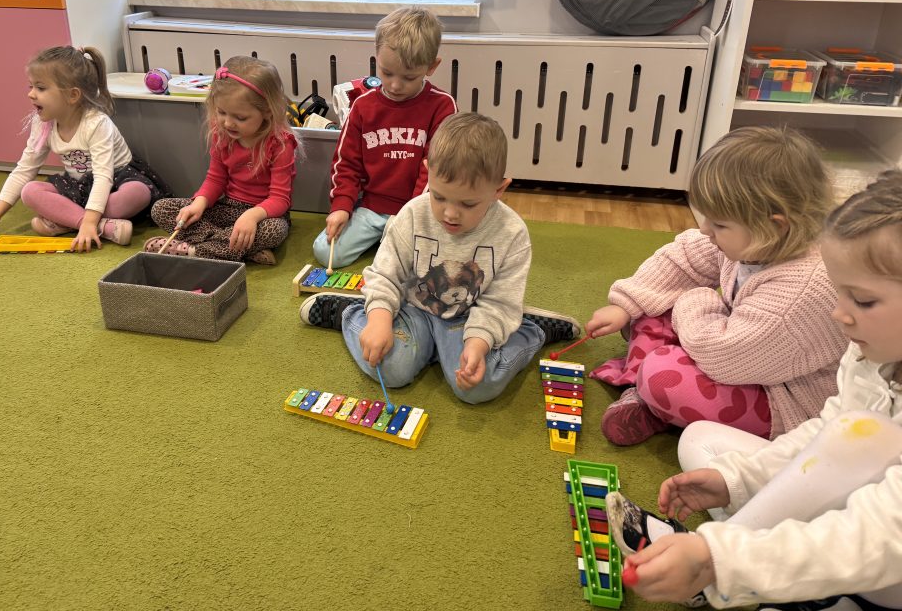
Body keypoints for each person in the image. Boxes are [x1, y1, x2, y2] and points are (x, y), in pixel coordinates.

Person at [606, 170, 902, 611]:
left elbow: (883, 534)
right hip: (853, 522)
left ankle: (742, 567)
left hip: (884, 559)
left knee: (856, 441)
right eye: (840, 294)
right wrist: (737, 480)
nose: (839, 314)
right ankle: (757, 563)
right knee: (700, 442)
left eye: (861, 300)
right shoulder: (869, 353)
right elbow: (823, 438)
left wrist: (723, 559)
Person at [585, 126, 848, 446]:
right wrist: (625, 305)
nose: (705, 229)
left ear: (775, 226)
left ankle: (646, 392)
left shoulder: (804, 290)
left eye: (719, 224)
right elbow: (681, 258)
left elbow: (722, 359)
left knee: (663, 375)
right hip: (735, 347)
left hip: (781, 398)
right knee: (651, 302)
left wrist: (692, 299)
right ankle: (646, 393)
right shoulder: (755, 241)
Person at [299, 112, 581, 404]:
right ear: (428, 172)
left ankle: (531, 330)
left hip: (471, 315)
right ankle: (352, 313)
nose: (450, 213)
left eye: (468, 203)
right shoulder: (412, 214)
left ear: (499, 190)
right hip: (415, 310)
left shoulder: (512, 234)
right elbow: (385, 274)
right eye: (439, 196)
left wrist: (479, 343)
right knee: (391, 369)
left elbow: (498, 302)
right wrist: (380, 318)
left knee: (479, 387)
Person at [0, 46, 169, 251]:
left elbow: (103, 176)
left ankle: (68, 220)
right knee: (30, 192)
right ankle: (103, 227)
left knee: (138, 193)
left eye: (40, 88)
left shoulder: (96, 123)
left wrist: (89, 221)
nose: (31, 94)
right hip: (79, 185)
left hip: (116, 179)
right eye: (30, 86)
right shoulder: (42, 123)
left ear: (73, 95)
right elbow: (25, 169)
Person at [312, 5, 456, 270]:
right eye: (387, 73)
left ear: (432, 66)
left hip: (420, 212)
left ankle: (392, 243)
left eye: (409, 77)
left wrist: (410, 217)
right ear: (377, 56)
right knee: (324, 250)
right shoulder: (363, 106)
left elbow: (435, 169)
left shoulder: (442, 105)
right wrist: (341, 206)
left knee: (428, 264)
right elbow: (346, 163)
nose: (395, 85)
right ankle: (385, 241)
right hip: (372, 209)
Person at [145, 56, 296, 265]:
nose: (228, 123)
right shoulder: (221, 133)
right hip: (227, 207)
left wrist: (252, 216)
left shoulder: (280, 143)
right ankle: (240, 248)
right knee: (161, 209)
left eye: (240, 118)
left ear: (267, 111)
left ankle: (195, 251)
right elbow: (215, 179)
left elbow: (280, 199)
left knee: (274, 231)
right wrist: (199, 203)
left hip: (264, 215)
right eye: (221, 112)